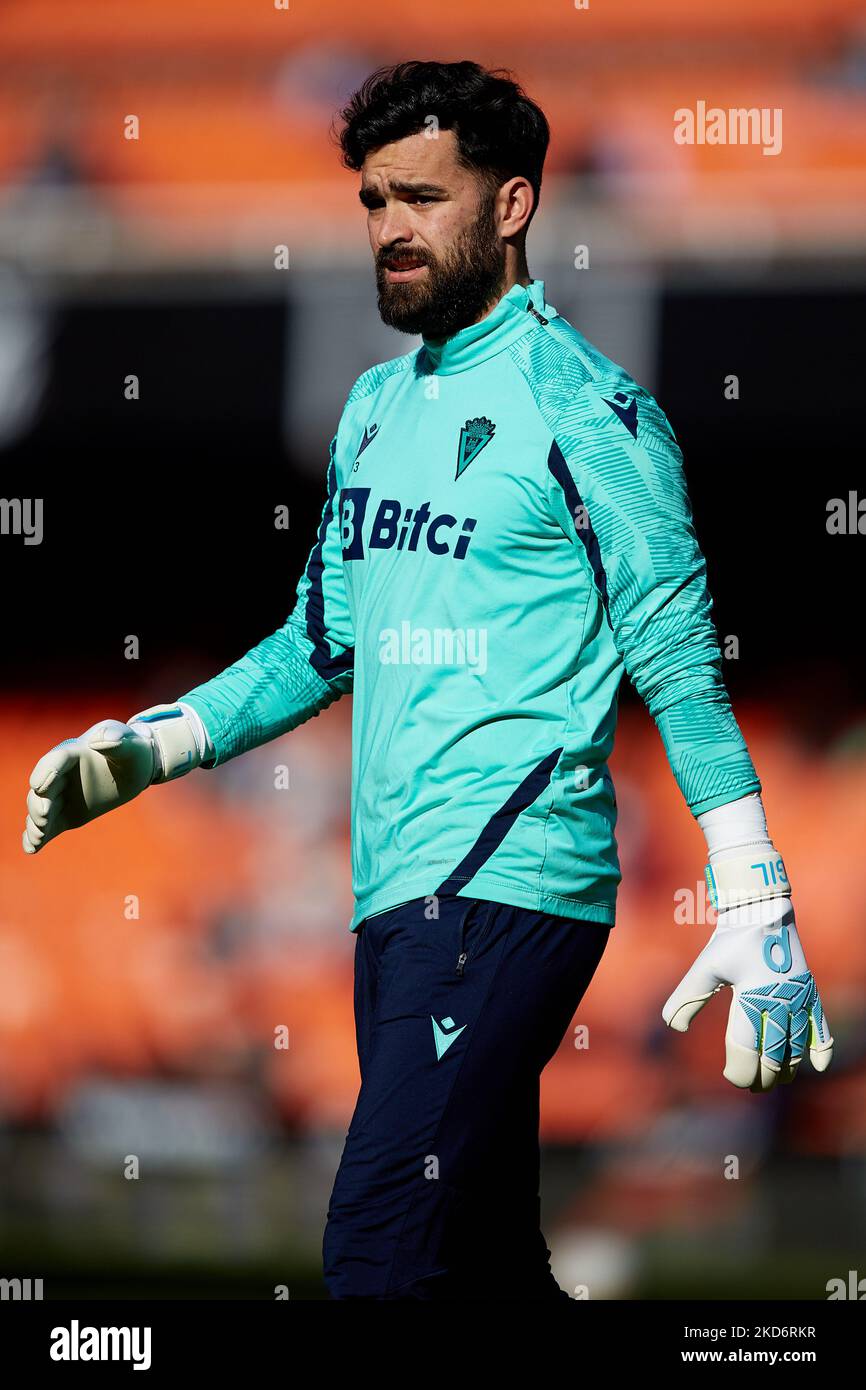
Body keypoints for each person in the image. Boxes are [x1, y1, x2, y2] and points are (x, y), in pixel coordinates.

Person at [22, 60, 833, 1301]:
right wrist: (157, 743)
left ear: (509, 208)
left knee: (378, 1248)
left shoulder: (592, 413)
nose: (390, 227)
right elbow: (319, 642)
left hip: (505, 886)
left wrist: (754, 897)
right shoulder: (369, 410)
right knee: (485, 1267)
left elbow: (677, 658)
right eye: (372, 201)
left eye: (421, 196)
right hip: (396, 895)